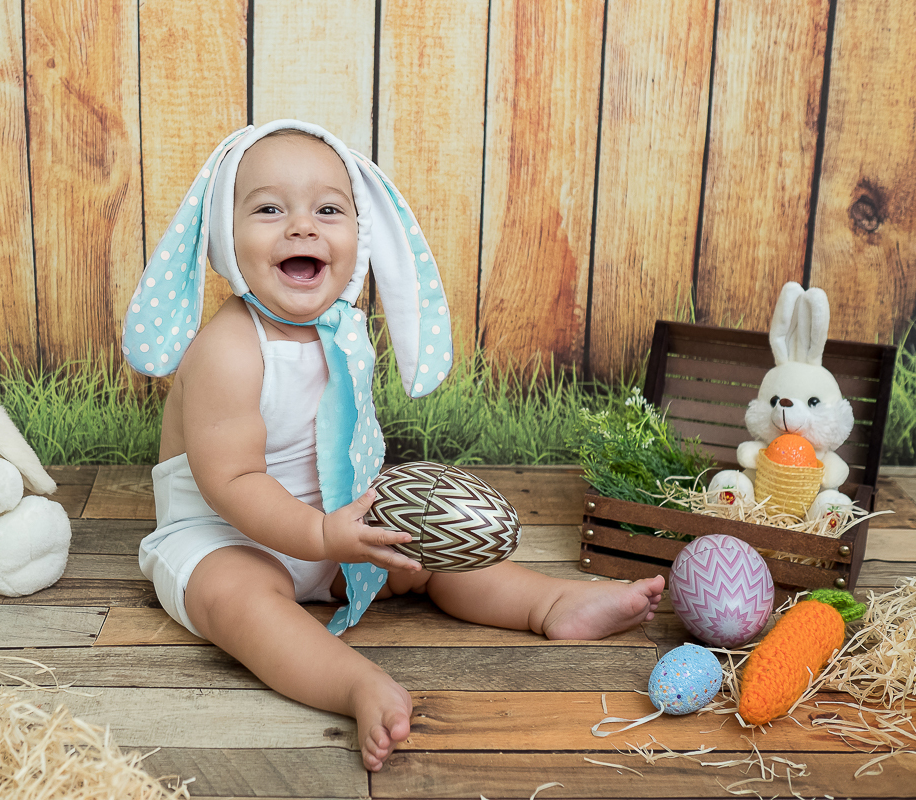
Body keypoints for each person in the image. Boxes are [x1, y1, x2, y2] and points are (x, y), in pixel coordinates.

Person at [122, 121, 664, 772]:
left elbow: (345, 446)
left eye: (328, 209)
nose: (301, 227)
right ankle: (353, 684)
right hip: (226, 532)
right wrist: (321, 537)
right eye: (269, 209)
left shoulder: (345, 332)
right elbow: (232, 483)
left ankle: (547, 603)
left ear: (362, 237)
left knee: (422, 553)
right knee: (237, 598)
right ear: (224, 238)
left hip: (332, 527)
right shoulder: (228, 350)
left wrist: (361, 524)